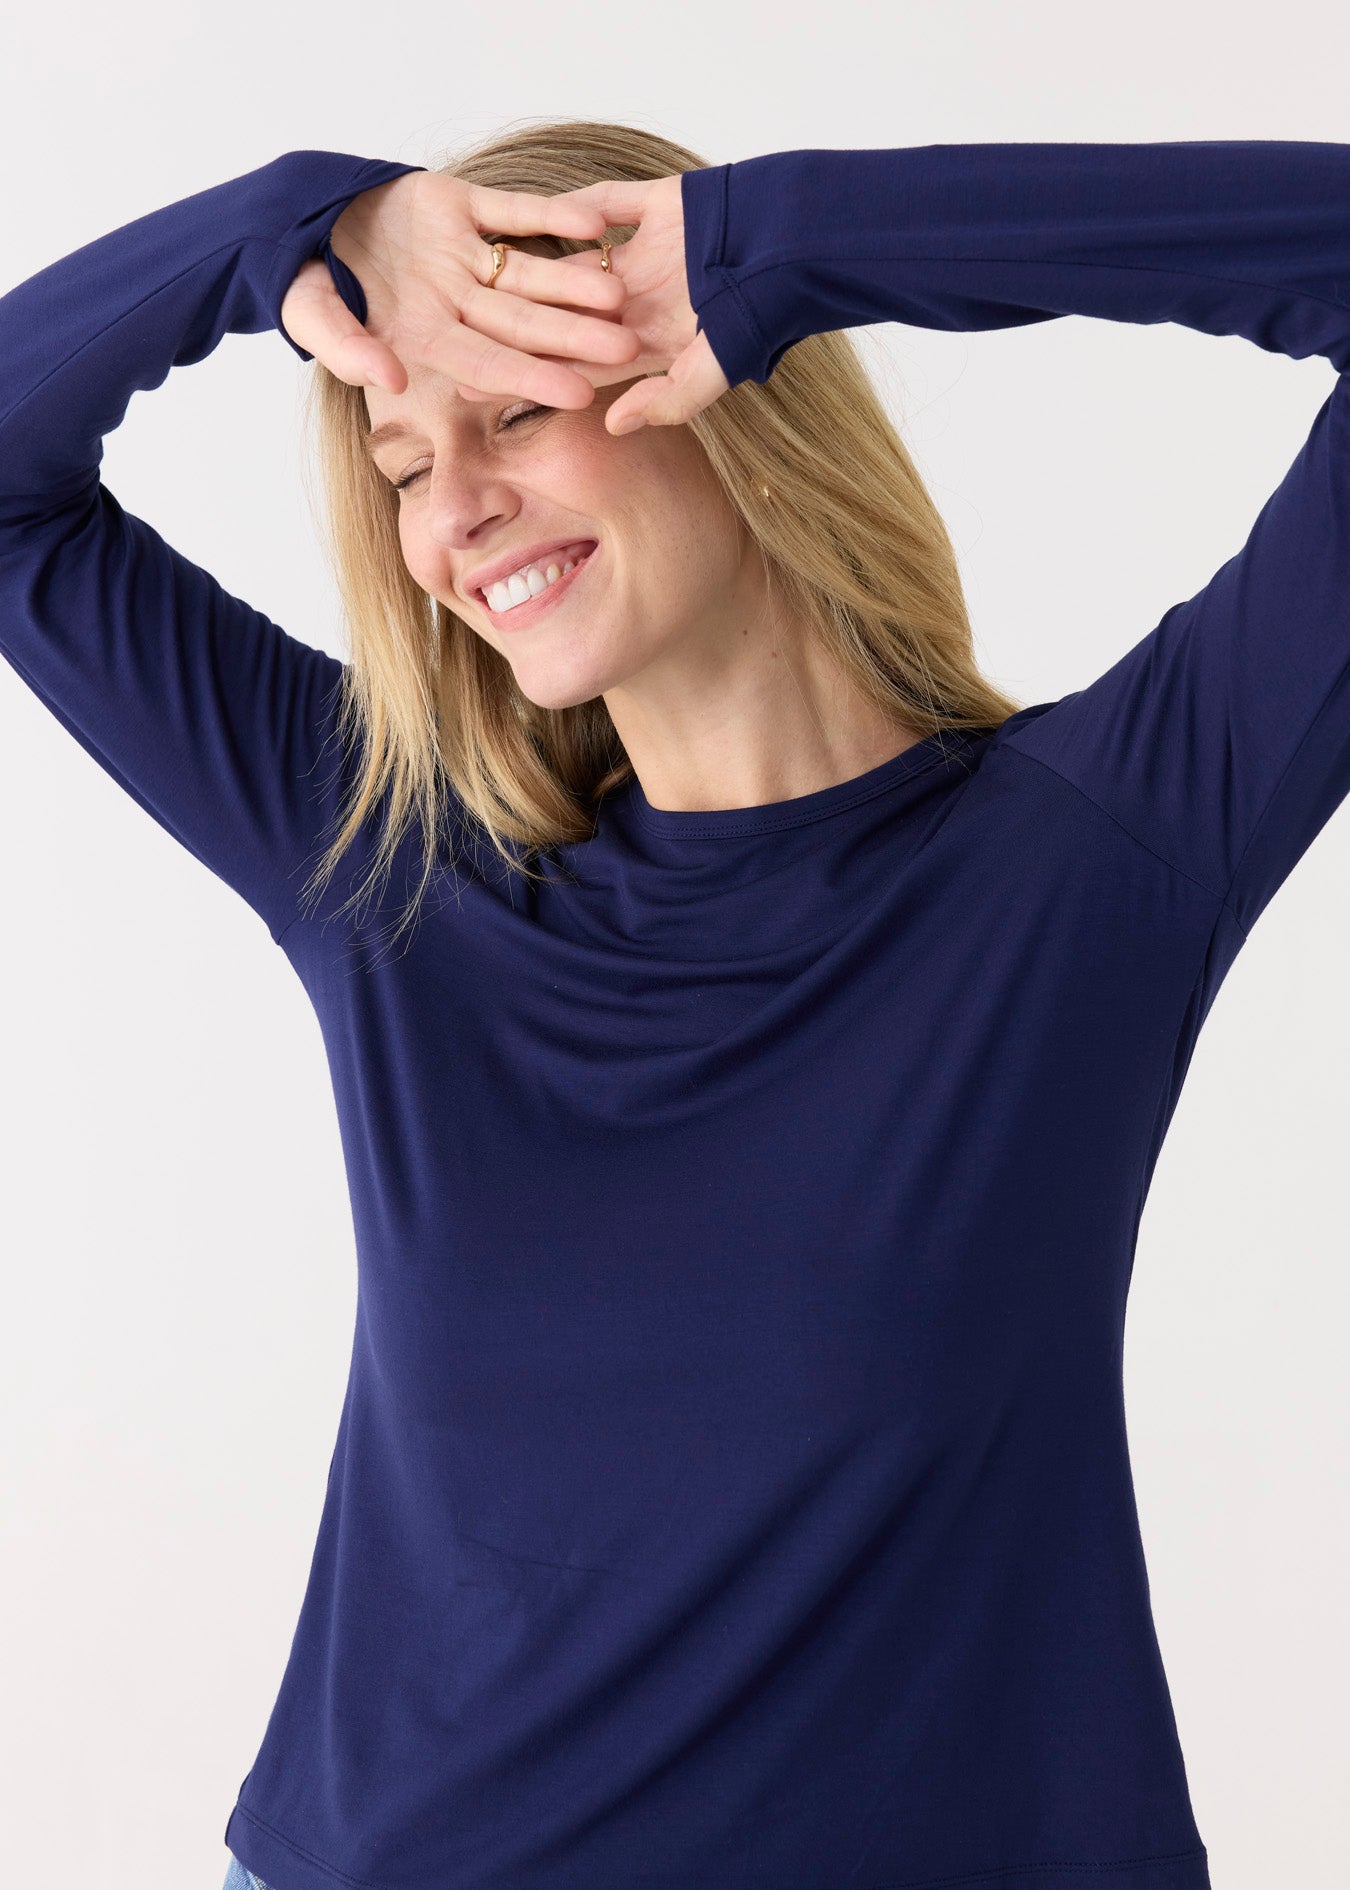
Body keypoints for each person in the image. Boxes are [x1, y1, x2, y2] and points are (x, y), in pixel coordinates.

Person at [3, 121, 1347, 1890]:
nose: (449, 517)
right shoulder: (398, 870)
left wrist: (779, 245)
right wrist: (314, 230)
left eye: (510, 413)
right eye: (403, 462)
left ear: (721, 385)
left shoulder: (1100, 848)